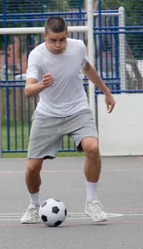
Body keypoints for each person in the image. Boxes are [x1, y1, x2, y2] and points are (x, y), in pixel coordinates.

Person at [20, 15, 116, 224]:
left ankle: (92, 202)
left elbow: (88, 68)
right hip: (47, 113)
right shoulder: (37, 56)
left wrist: (107, 93)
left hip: (77, 109)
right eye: (53, 40)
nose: (58, 44)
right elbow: (28, 90)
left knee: (92, 148)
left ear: (68, 36)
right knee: (32, 168)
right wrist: (41, 86)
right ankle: (34, 206)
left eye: (62, 39)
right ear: (45, 36)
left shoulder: (78, 47)